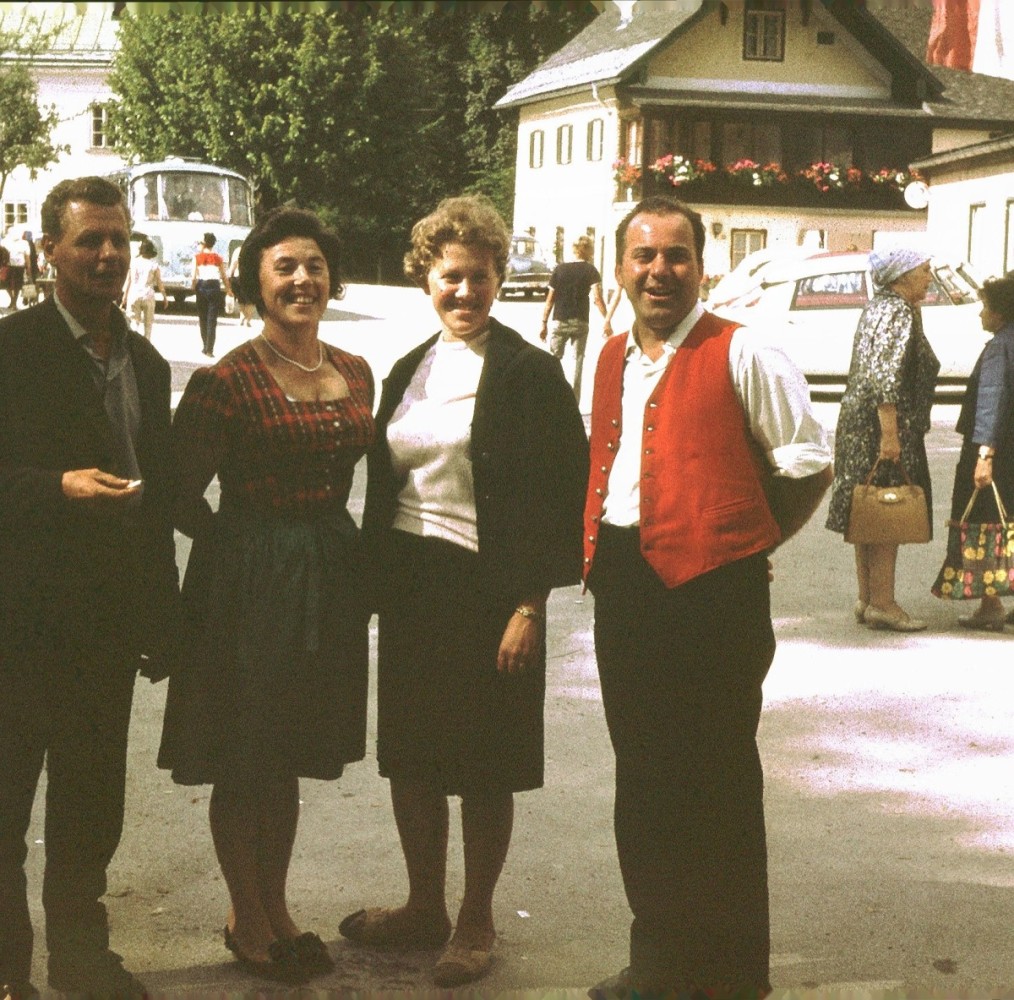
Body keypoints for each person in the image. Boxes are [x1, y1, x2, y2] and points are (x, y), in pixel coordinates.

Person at [584, 196, 832, 999]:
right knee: (644, 779)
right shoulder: (612, 353)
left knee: (716, 782)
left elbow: (807, 466)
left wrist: (745, 543)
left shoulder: (745, 351)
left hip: (713, 594)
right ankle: (658, 962)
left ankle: (728, 976)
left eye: (677, 255)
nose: (660, 271)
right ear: (619, 267)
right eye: (644, 256)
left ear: (703, 265)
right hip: (625, 580)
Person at [338, 195, 588, 988]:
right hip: (414, 585)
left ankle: (476, 918)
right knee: (411, 757)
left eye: (479, 277)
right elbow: (385, 483)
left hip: (493, 591)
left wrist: (529, 605)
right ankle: (423, 907)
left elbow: (564, 494)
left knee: (486, 763)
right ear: (427, 280)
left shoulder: (529, 372)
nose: (464, 293)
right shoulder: (407, 369)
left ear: (499, 278)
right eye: (450, 278)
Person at [157, 208, 375, 986]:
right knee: (242, 752)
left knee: (287, 751)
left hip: (328, 571)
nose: (302, 280)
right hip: (247, 579)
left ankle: (274, 906)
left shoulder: (354, 368)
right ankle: (246, 915)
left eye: (314, 266)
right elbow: (180, 492)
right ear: (255, 283)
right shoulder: (227, 379)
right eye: (285, 267)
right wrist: (236, 552)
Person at [0, 176, 179, 999]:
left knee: (89, 806)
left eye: (119, 240)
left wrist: (163, 616)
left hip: (105, 633)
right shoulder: (12, 347)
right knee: (4, 810)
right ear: (50, 251)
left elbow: (157, 495)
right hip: (19, 624)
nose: (108, 256)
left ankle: (81, 957)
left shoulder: (145, 358)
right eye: (88, 241)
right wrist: (54, 488)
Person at [826, 247, 940, 631]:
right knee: (886, 514)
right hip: (882, 426)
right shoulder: (898, 311)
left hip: (862, 423)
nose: (930, 275)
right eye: (924, 269)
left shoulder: (879, 306)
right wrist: (890, 436)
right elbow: (887, 375)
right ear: (902, 275)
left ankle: (867, 599)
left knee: (868, 510)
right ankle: (884, 603)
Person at [944, 270, 1014, 630]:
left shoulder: (999, 346)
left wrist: (984, 455)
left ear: (1001, 313)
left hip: (995, 452)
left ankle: (991, 604)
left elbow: (993, 399)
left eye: (985, 307)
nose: (979, 313)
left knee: (986, 523)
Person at [539, 233, 607, 401]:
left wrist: (543, 323)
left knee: (553, 361)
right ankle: (573, 403)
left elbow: (550, 301)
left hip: (559, 320)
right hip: (580, 322)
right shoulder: (591, 270)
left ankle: (551, 399)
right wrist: (607, 319)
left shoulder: (559, 269)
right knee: (578, 362)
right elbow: (597, 299)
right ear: (588, 251)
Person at [192, 230, 230, 357]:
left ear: (204, 243)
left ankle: (204, 346)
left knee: (202, 318)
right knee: (212, 320)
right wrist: (229, 289)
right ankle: (210, 350)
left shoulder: (197, 257)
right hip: (214, 287)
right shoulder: (218, 258)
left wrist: (193, 287)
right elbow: (224, 276)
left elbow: (193, 276)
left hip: (202, 286)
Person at [121, 238, 166, 340]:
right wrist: (164, 297)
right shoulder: (154, 265)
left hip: (134, 294)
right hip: (148, 295)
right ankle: (147, 348)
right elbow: (159, 282)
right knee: (148, 325)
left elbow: (129, 281)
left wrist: (124, 297)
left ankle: (132, 344)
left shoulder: (133, 263)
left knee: (133, 322)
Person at [228, 242, 257, 327]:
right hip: (251, 277)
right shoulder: (255, 251)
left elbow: (234, 263)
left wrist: (230, 275)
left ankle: (242, 317)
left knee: (241, 299)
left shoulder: (238, 250)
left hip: (238, 276)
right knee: (250, 300)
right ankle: (247, 319)